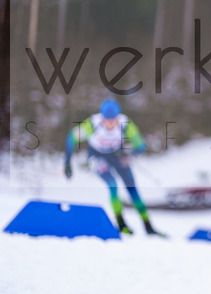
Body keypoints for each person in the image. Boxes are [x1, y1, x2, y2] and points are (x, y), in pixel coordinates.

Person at [64, 98, 164, 237]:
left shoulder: (125, 124)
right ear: (102, 117)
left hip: (117, 155)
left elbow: (141, 146)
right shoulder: (93, 124)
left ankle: (148, 227)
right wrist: (67, 163)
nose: (110, 123)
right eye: (107, 120)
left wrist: (129, 153)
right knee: (113, 185)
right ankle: (121, 224)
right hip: (97, 156)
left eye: (113, 120)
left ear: (118, 117)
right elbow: (71, 138)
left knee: (132, 190)